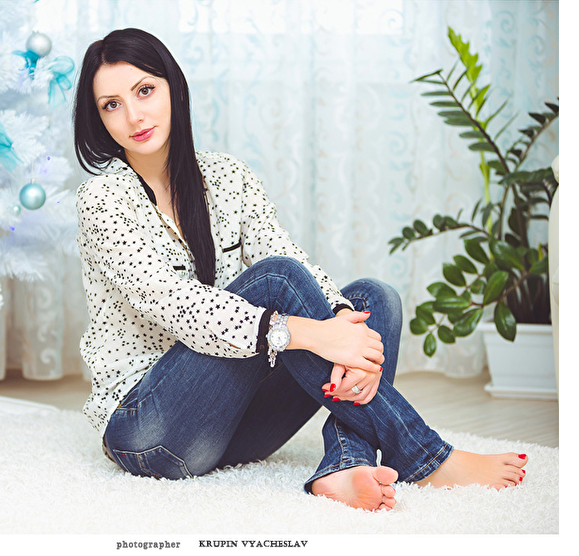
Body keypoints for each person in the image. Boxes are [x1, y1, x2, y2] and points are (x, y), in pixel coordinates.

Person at [72, 27, 527, 511]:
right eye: (112, 105)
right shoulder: (102, 200)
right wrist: (307, 333)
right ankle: (424, 454)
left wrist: (341, 322)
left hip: (232, 431)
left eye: (144, 90)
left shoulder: (227, 177)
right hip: (151, 432)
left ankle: (345, 463)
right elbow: (178, 304)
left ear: (173, 89)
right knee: (276, 280)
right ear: (99, 119)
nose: (134, 115)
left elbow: (290, 254)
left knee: (373, 300)